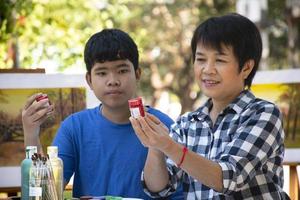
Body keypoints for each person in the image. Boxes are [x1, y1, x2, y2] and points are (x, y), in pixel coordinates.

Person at [130, 13, 290, 199]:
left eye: (220, 60)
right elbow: (158, 188)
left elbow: (229, 177)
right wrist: (155, 146)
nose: (207, 70)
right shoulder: (187, 122)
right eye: (200, 59)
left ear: (246, 67)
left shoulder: (263, 114)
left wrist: (169, 145)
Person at [22, 29, 183, 199]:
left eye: (122, 70)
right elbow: (47, 192)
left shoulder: (163, 126)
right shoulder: (75, 127)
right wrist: (31, 133)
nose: (112, 80)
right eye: (102, 73)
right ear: (89, 80)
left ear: (137, 74)